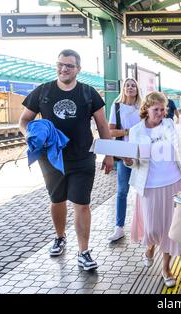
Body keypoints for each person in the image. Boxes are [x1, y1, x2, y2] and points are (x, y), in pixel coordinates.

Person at [19, 49, 114, 271]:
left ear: (78, 69)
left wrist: (109, 154)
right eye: (60, 64)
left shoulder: (88, 93)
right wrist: (29, 136)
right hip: (51, 158)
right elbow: (23, 121)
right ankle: (60, 237)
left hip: (83, 157)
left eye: (69, 66)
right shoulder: (43, 92)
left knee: (82, 203)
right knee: (57, 200)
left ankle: (84, 251)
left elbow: (102, 125)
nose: (63, 69)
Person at [124, 91, 181, 288]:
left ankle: (166, 268)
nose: (161, 113)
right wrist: (129, 161)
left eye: (164, 110)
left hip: (174, 181)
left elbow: (180, 153)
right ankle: (149, 248)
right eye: (157, 110)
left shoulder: (169, 125)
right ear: (146, 109)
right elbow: (134, 161)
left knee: (171, 229)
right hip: (150, 186)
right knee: (153, 227)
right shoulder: (136, 131)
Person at [107, 78, 142, 241]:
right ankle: (119, 227)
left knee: (144, 192)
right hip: (124, 154)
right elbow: (110, 132)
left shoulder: (143, 107)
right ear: (123, 88)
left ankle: (145, 226)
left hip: (142, 155)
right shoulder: (117, 107)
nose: (130, 88)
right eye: (127, 85)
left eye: (133, 85)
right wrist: (128, 132)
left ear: (137, 89)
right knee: (122, 192)